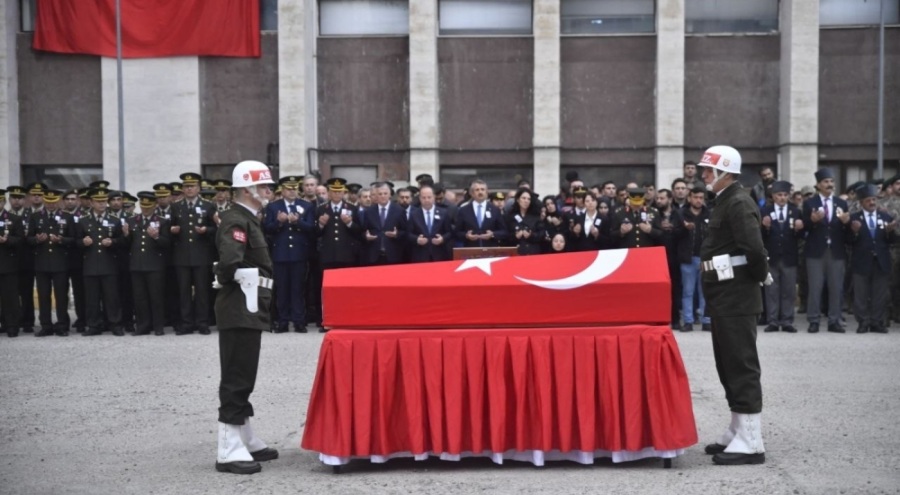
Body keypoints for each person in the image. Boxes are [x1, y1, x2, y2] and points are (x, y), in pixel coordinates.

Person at [697, 145, 769, 466]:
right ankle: (737, 429)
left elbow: (754, 249)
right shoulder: (724, 201)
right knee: (727, 364)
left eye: (708, 171)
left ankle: (752, 441)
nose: (703, 175)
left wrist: (759, 276)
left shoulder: (738, 202)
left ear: (726, 172)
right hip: (724, 295)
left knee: (740, 365)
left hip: (737, 295)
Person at [213, 160, 279, 475]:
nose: (269, 191)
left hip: (249, 304)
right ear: (247, 189)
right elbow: (229, 262)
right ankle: (228, 448)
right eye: (264, 186)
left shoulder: (248, 218)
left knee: (245, 372)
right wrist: (232, 278)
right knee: (237, 375)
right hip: (240, 304)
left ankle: (245, 436)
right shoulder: (236, 220)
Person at [263, 176, 315, 333]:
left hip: (299, 253)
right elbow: (267, 228)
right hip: (281, 253)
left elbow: (311, 227)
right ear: (283, 191)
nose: (292, 192)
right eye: (288, 189)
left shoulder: (306, 205)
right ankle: (283, 321)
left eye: (294, 189)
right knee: (282, 288)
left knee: (298, 289)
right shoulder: (273, 207)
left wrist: (297, 222)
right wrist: (279, 222)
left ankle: (299, 321)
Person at [802, 168, 850, 333]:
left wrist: (846, 223)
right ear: (818, 185)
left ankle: (834, 320)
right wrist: (812, 221)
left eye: (831, 181)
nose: (830, 185)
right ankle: (814, 320)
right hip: (816, 251)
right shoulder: (810, 203)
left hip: (836, 251)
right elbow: (803, 228)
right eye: (826, 182)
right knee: (815, 288)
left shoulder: (842, 203)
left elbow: (847, 231)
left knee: (836, 287)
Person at [170, 172, 218, 335]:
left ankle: (202, 322)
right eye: (186, 186)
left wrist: (206, 230)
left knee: (202, 291)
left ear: (198, 188)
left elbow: (216, 228)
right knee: (183, 291)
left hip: (201, 254)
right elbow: (169, 228)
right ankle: (186, 323)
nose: (189, 189)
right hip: (182, 255)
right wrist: (173, 230)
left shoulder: (208, 205)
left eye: (192, 186)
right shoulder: (176, 206)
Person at [847, 185, 896, 334]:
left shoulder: (885, 217)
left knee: (879, 294)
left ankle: (876, 322)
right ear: (861, 202)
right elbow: (848, 240)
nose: (872, 203)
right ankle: (863, 322)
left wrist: (890, 232)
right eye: (868, 200)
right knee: (861, 295)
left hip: (881, 261)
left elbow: (892, 241)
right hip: (861, 261)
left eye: (874, 199)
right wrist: (853, 232)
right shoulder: (854, 218)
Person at [77, 188, 125, 336]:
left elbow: (123, 241)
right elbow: (76, 242)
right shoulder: (83, 220)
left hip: (109, 264)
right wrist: (83, 242)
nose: (102, 204)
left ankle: (115, 325)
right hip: (90, 264)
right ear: (91, 202)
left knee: (111, 298)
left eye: (104, 201)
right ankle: (94, 326)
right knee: (92, 298)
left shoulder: (114, 220)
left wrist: (113, 242)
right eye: (98, 202)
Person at [123, 192, 171, 336]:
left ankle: (158, 326)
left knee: (156, 296)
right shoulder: (132, 220)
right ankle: (143, 325)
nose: (145, 209)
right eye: (143, 206)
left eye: (148, 207)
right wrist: (126, 235)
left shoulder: (162, 221)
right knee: (139, 297)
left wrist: (156, 237)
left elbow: (167, 244)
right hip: (137, 264)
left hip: (155, 265)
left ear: (155, 205)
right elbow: (127, 245)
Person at [760, 181, 803, 333]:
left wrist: (799, 229)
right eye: (779, 195)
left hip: (789, 257)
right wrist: (765, 227)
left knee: (789, 290)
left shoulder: (795, 211)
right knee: (771, 290)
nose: (782, 198)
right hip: (771, 256)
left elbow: (800, 236)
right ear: (773, 196)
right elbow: (760, 235)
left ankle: (787, 320)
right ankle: (772, 320)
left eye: (785, 195)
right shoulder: (765, 210)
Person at [29, 189, 74, 337]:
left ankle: (61, 325)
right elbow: (28, 239)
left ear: (58, 201)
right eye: (48, 202)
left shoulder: (67, 216)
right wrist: (37, 239)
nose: (50, 205)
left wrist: (61, 240)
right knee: (43, 295)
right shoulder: (35, 217)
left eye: (53, 202)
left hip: (60, 263)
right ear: (44, 201)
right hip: (42, 263)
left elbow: (73, 239)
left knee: (61, 295)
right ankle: (46, 325)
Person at [674, 186, 712, 332]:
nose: (698, 200)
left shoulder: (709, 213)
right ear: (689, 198)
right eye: (695, 197)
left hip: (706, 258)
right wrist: (685, 228)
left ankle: (706, 320)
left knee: (705, 291)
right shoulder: (681, 213)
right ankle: (688, 321)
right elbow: (674, 234)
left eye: (701, 198)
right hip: (687, 258)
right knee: (688, 291)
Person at [361, 182, 407, 265]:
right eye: (380, 194)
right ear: (376, 196)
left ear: (390, 195)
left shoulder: (399, 210)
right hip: (374, 256)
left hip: (393, 255)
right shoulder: (369, 211)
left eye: (385, 193)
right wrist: (366, 236)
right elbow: (363, 231)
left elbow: (405, 231)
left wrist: (397, 234)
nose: (382, 196)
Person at [455, 179, 508, 248]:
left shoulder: (495, 210)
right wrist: (466, 236)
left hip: (490, 250)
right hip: (471, 250)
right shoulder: (463, 210)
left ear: (487, 192)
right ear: (471, 193)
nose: (480, 192)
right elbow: (457, 232)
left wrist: (492, 234)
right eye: (477, 190)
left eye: (482, 189)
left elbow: (504, 231)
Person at [0, 190, 23, 338]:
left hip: (7, 263)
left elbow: (20, 239)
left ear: (3, 202)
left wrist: (7, 240)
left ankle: (12, 325)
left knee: (10, 297)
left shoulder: (13, 218)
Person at [407, 185, 451, 262]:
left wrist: (442, 239)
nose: (426, 200)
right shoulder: (413, 214)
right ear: (420, 198)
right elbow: (408, 234)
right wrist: (417, 239)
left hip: (439, 255)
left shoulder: (443, 213)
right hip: (420, 255)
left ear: (434, 197)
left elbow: (449, 232)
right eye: (424, 198)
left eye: (429, 197)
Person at [505, 188, 544, 255]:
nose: (526, 201)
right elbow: (506, 235)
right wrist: (515, 236)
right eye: (523, 198)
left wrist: (531, 235)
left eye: (528, 199)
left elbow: (541, 234)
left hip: (532, 252)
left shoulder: (535, 216)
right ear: (518, 199)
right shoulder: (510, 216)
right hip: (516, 253)